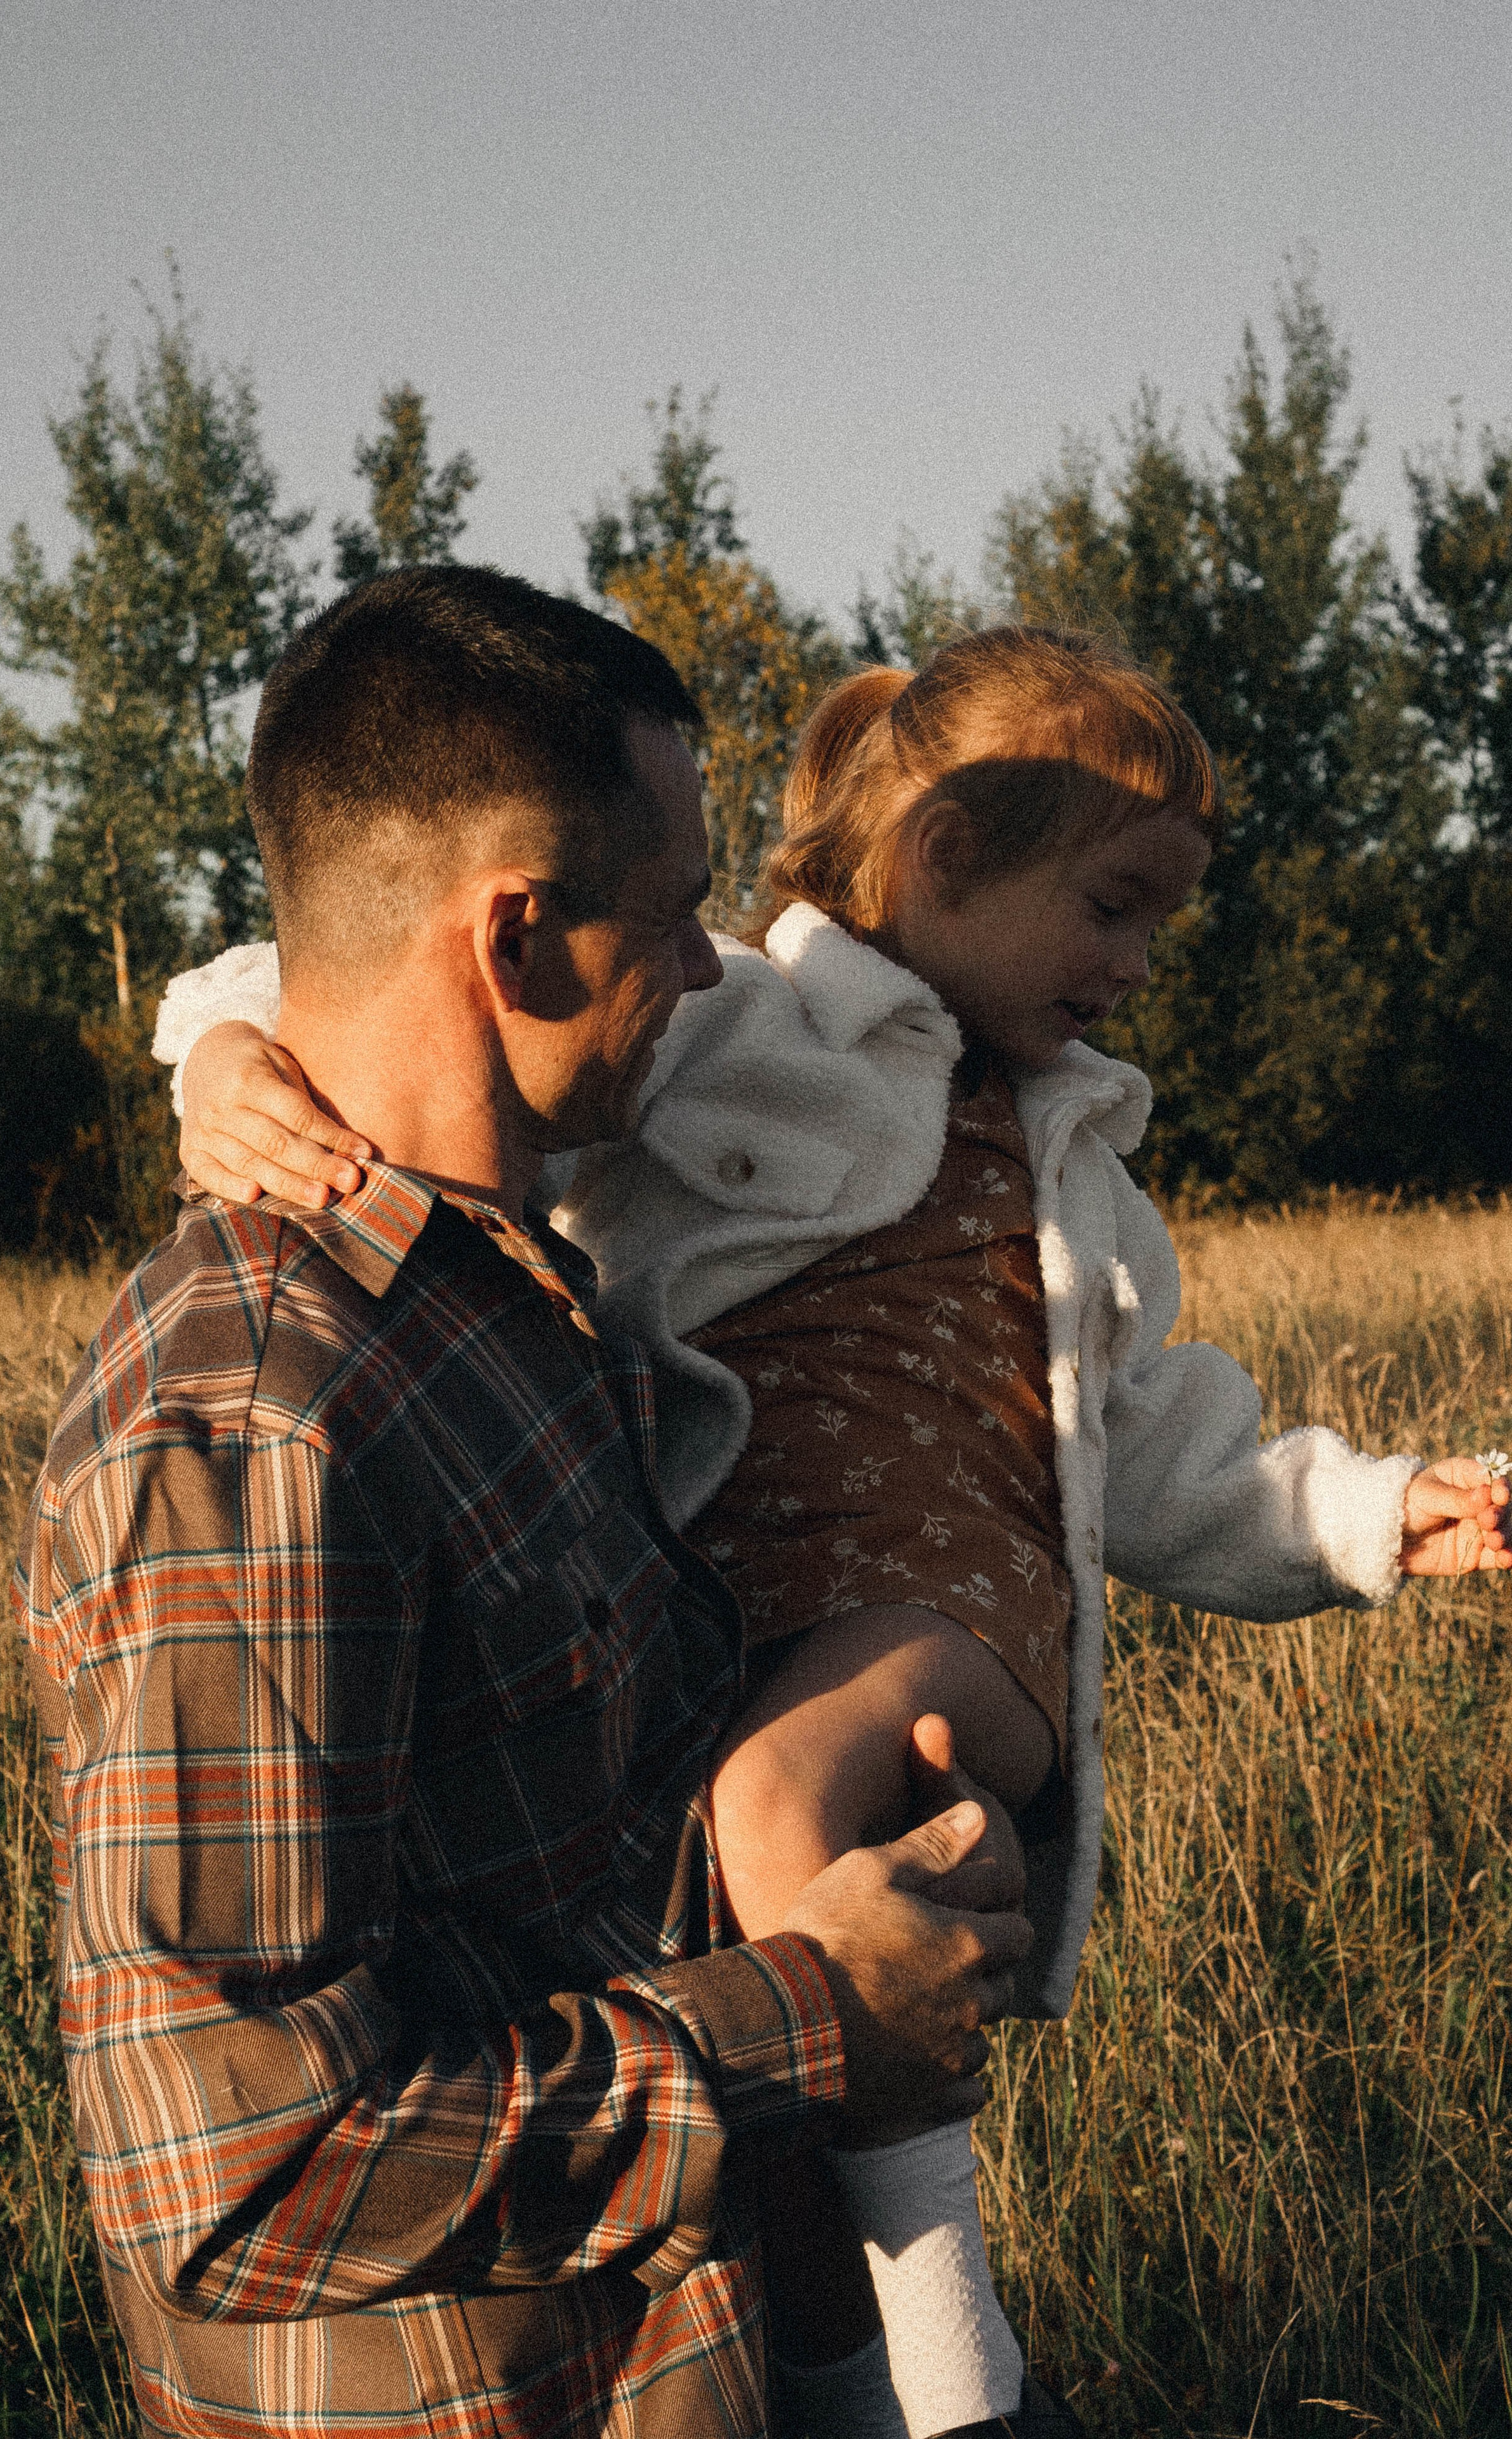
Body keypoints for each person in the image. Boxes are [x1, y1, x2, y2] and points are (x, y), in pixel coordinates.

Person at [163, 624, 1510, 2439]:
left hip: (960, 1618)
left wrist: (1368, 1511)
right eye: (1112, 908)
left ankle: (959, 2382)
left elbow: (1163, 1434)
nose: (1133, 966)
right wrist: (221, 1058)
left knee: (771, 1812)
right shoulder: (734, 1019)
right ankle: (821, 2364)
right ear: (949, 860)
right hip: (738, 1629)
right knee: (745, 2025)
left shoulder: (1075, 1157)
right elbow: (354, 951)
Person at [17, 567, 1040, 2439]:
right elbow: (243, 2178)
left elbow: (570, 1869)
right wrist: (815, 2013)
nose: (720, 970)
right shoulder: (260, 1423)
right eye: (674, 914)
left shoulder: (519, 1300)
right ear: (519, 938)